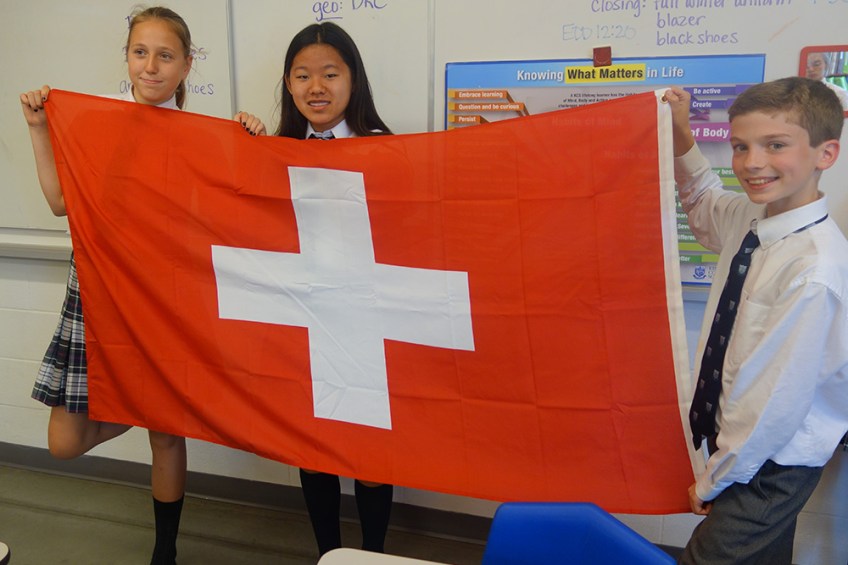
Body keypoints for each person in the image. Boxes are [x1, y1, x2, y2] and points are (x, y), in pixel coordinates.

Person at [20, 7, 263, 564]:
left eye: (165, 55)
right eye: (140, 52)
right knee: (64, 442)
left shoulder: (201, 137)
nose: (150, 66)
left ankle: (164, 553)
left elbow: (230, 217)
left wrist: (253, 142)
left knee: (167, 436)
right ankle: (144, 405)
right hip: (99, 290)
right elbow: (59, 204)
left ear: (187, 65)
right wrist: (38, 128)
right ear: (126, 57)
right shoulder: (93, 122)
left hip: (163, 298)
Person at [664, 77, 848, 564]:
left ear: (826, 154)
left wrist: (716, 477)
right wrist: (681, 133)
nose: (751, 162)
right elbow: (705, 202)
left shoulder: (814, 268)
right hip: (744, 448)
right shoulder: (754, 219)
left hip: (768, 463)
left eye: (775, 145)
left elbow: (775, 401)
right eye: (741, 146)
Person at [273, 21, 394, 557]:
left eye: (329, 74)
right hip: (304, 322)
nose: (316, 87)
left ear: (353, 79)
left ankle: (372, 554)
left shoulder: (385, 149)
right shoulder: (271, 152)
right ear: (288, 84)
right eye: (302, 76)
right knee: (315, 451)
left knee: (371, 458)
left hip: (366, 324)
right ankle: (327, 554)